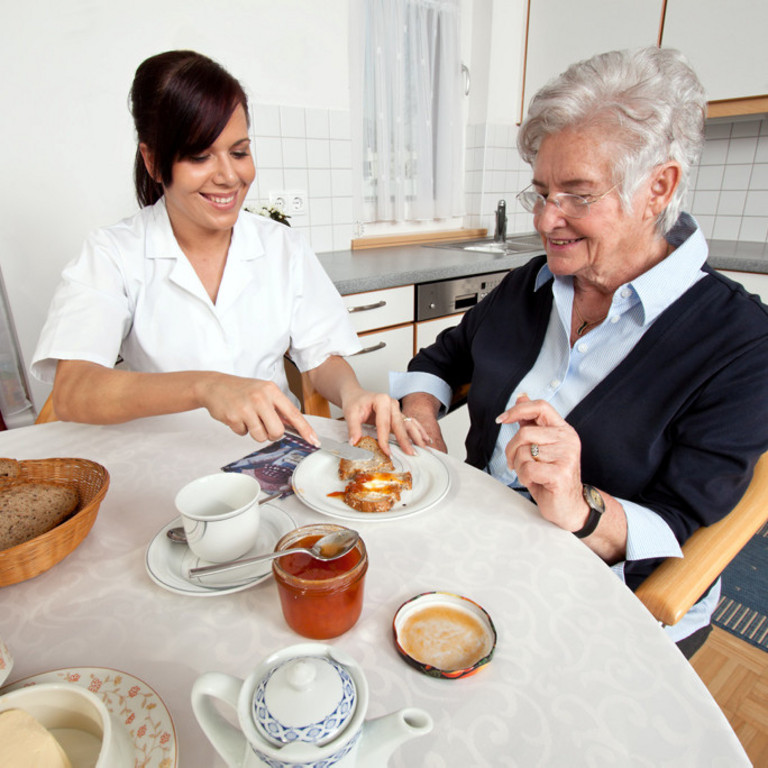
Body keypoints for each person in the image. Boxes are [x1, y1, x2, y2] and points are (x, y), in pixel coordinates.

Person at [391, 47, 768, 656]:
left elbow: (677, 526)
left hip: (605, 594)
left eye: (577, 195)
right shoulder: (530, 284)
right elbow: (440, 360)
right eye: (540, 192)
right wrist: (420, 411)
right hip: (482, 543)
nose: (546, 219)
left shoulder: (743, 344)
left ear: (659, 187)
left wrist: (578, 506)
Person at [31, 50, 427, 454]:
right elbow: (74, 390)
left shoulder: (281, 246)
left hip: (275, 453)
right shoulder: (114, 253)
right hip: (168, 463)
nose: (229, 176)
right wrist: (206, 386)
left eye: (239, 152)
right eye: (200, 156)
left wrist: (352, 392)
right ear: (153, 161)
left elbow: (321, 355)